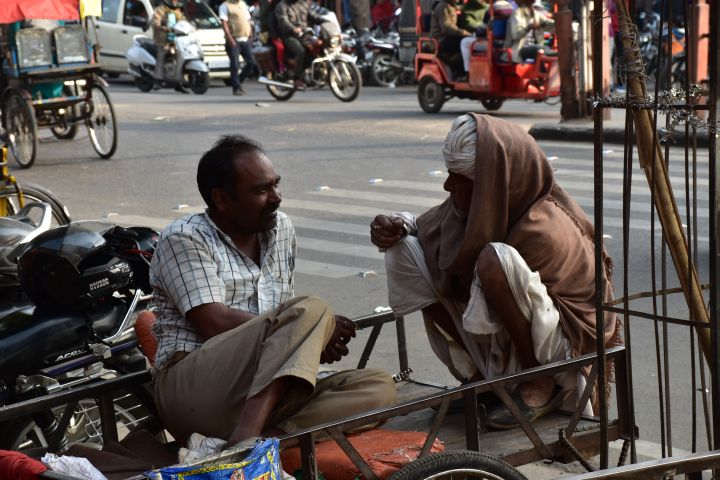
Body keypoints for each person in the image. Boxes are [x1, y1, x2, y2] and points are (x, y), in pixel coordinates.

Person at [370, 114, 621, 430]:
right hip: (507, 341)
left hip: (562, 353)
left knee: (493, 260)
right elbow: (427, 227)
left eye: (456, 178)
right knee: (403, 248)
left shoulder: (542, 227)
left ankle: (537, 383)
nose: (447, 185)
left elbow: (582, 324)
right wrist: (396, 226)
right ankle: (485, 379)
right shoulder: (476, 206)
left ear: (492, 184)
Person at [150, 135, 397, 446]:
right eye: (261, 190)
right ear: (222, 199)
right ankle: (245, 441)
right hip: (195, 390)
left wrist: (307, 337)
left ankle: (268, 440)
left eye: (276, 185)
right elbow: (213, 322)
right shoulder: (184, 237)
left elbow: (283, 322)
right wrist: (309, 326)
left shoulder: (280, 228)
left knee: (379, 387)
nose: (276, 198)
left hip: (264, 387)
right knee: (312, 309)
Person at [275, 0, 325, 87]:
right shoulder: (282, 5)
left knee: (317, 48)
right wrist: (294, 29)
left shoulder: (303, 3)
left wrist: (325, 20)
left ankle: (314, 74)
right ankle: (296, 77)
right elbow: (283, 21)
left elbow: (313, 15)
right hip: (289, 35)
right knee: (300, 51)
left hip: (304, 34)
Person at [219, 0, 257, 96]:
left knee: (251, 63)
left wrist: (251, 33)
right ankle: (236, 88)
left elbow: (248, 20)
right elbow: (224, 23)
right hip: (234, 39)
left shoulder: (242, 4)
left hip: (245, 39)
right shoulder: (225, 6)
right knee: (235, 64)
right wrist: (230, 38)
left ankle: (238, 81)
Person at [429, 0, 473, 80]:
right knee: (464, 43)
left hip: (449, 37)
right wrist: (464, 33)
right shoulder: (443, 7)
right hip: (441, 39)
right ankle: (463, 74)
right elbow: (446, 28)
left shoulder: (453, 6)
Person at [152, 0, 188, 92]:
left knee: (180, 59)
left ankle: (179, 82)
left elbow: (183, 22)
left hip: (176, 40)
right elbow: (156, 23)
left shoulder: (177, 11)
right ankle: (157, 80)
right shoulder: (160, 10)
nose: (176, 2)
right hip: (162, 40)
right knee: (161, 57)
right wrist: (165, 28)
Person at [457, 0, 489, 73]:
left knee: (464, 42)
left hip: (490, 42)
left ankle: (467, 72)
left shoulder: (489, 10)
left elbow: (477, 28)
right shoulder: (509, 7)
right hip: (502, 43)